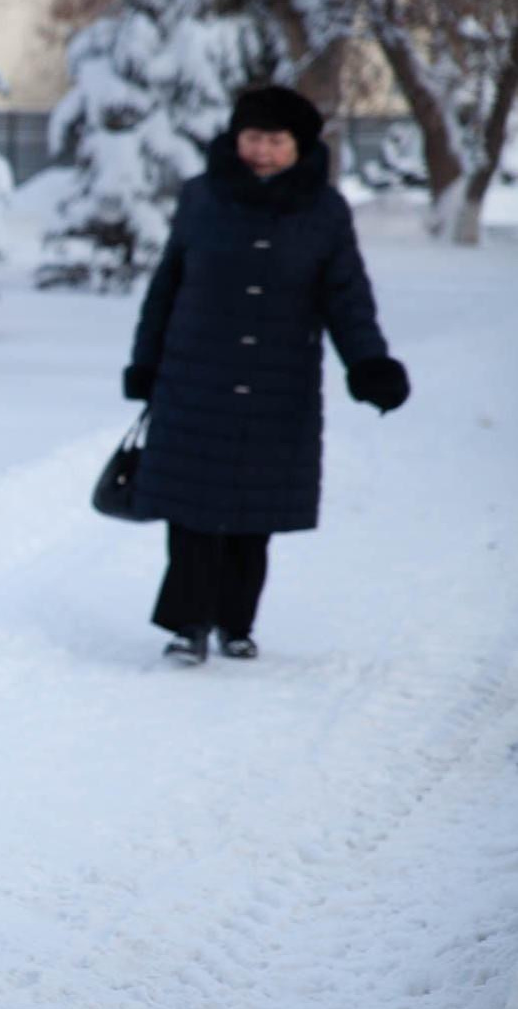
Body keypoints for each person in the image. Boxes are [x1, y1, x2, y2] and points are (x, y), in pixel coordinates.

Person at [124, 85, 410, 664]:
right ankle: (188, 625)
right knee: (193, 508)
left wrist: (369, 363)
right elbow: (167, 285)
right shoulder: (201, 197)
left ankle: (235, 623)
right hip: (194, 377)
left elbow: (346, 296)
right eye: (252, 137)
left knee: (254, 513)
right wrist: (146, 361)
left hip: (276, 382)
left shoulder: (325, 212)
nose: (260, 150)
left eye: (274, 140)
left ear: (299, 146)